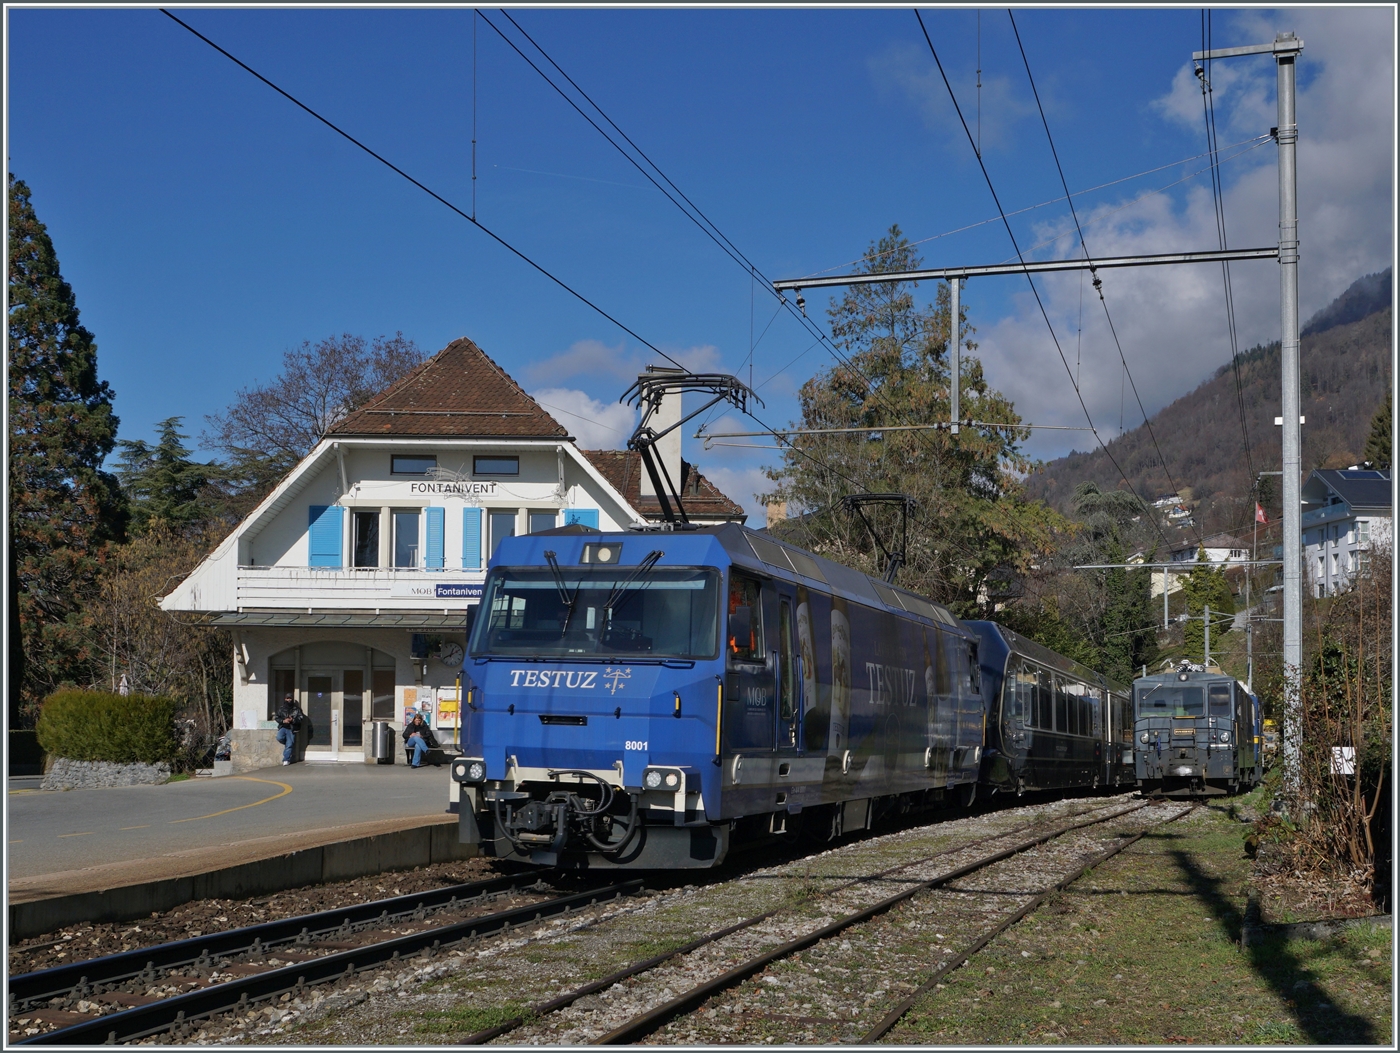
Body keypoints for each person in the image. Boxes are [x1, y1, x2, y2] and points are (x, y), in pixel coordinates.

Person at [275, 693, 305, 766]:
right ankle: (288, 744)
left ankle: (286, 759)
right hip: (283, 727)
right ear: (285, 699)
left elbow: (300, 718)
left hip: (291, 728)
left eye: (290, 698)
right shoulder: (281, 708)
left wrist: (293, 720)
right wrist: (283, 721)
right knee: (279, 737)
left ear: (292, 699)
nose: (289, 700)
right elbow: (276, 717)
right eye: (287, 698)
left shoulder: (297, 709)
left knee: (289, 745)